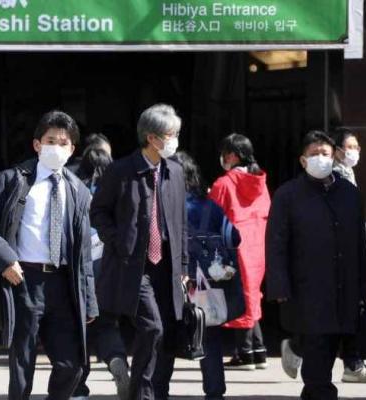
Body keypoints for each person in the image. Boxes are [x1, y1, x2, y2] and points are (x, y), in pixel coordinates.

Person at [0, 110, 98, 400]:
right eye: (50, 141)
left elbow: (84, 252)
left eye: (63, 143)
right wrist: (5, 260)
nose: (56, 147)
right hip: (24, 280)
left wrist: (89, 299)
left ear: (72, 149)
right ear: (37, 144)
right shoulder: (12, 180)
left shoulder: (78, 190)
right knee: (22, 364)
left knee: (72, 365)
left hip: (64, 284)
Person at [90, 104, 188, 400]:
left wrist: (184, 266)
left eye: (176, 134)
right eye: (170, 135)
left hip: (167, 267)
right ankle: (142, 392)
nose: (174, 140)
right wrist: (116, 240)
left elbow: (181, 222)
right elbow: (98, 211)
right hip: (133, 265)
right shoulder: (120, 171)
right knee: (152, 327)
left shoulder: (175, 171)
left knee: (167, 332)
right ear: (151, 137)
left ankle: (156, 392)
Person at [266, 130, 366, 400]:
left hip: (343, 288)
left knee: (327, 351)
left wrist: (362, 288)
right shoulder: (288, 195)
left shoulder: (349, 194)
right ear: (303, 161)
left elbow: (359, 244)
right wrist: (279, 285)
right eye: (314, 154)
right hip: (307, 289)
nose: (320, 158)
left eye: (325, 153)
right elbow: (276, 243)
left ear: (334, 157)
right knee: (317, 353)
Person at [163, 151, 243, 400]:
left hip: (171, 282)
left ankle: (158, 391)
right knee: (209, 339)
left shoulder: (162, 207)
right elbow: (234, 237)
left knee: (165, 338)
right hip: (206, 286)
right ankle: (215, 393)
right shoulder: (210, 207)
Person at [71, 134, 129, 400]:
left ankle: (78, 388)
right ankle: (116, 358)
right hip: (109, 268)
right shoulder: (119, 188)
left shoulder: (73, 186)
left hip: (79, 269)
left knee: (78, 329)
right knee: (107, 324)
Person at [210, 133, 271, 370]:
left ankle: (245, 353)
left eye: (224, 153)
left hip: (234, 246)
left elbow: (211, 217)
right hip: (257, 247)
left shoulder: (224, 184)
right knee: (252, 295)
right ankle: (258, 350)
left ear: (233, 156)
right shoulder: (260, 183)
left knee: (240, 298)